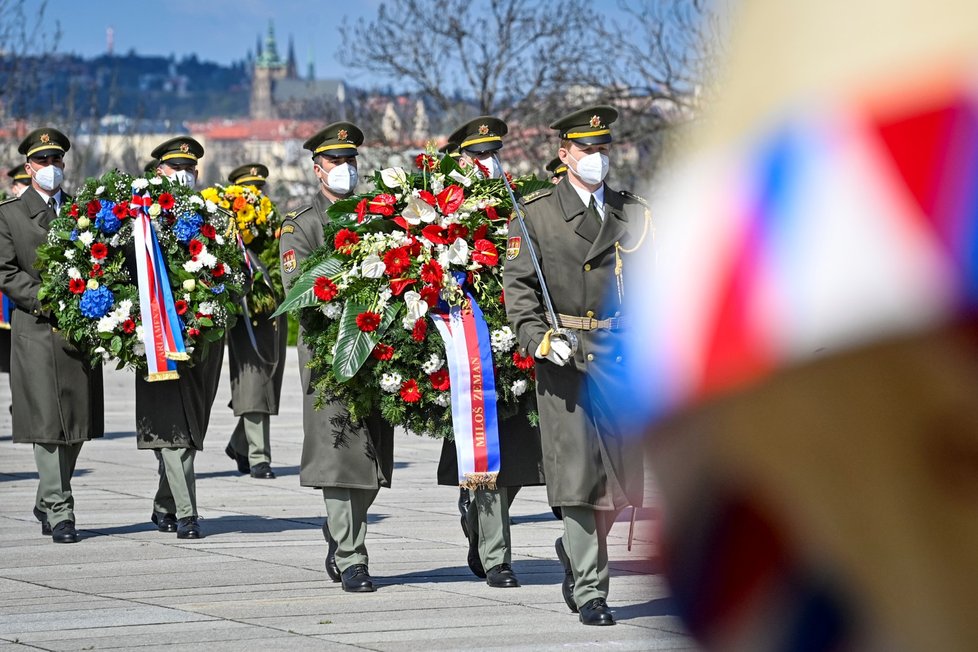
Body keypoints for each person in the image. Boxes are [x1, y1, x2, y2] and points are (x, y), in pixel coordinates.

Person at [503, 106, 649, 625]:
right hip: (565, 358)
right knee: (581, 476)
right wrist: (538, 339)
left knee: (622, 480)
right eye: (586, 149)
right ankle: (591, 589)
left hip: (622, 359)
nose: (597, 158)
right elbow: (519, 291)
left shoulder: (634, 213)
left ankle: (578, 551)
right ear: (564, 154)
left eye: (603, 149)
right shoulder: (536, 214)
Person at [279, 122, 394, 593]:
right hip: (330, 355)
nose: (345, 169)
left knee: (369, 458)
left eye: (351, 161)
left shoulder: (377, 218)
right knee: (336, 452)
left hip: (380, 356)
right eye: (336, 161)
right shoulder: (301, 225)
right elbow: (299, 294)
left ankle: (342, 530)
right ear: (317, 168)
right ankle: (352, 556)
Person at [438, 116, 546, 589]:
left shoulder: (520, 206)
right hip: (465, 350)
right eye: (477, 155)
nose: (488, 163)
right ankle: (497, 555)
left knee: (518, 454)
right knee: (486, 453)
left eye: (493, 153)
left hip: (514, 342)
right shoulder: (437, 208)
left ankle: (479, 522)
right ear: (458, 158)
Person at [0, 128, 104, 543]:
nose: (50, 168)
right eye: (42, 162)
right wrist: (48, 298)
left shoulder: (82, 211)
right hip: (36, 329)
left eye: (56, 160)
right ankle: (61, 511)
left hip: (78, 333)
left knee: (77, 424)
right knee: (46, 422)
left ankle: (47, 497)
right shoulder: (9, 214)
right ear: (28, 168)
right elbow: (5, 271)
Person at [135, 136, 225, 540]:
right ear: (159, 172)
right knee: (174, 427)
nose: (184, 176)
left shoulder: (214, 215)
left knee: (191, 427)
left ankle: (164, 503)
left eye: (190, 169)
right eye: (176, 168)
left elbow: (232, 274)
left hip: (203, 336)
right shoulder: (139, 218)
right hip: (157, 335)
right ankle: (188, 514)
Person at [223, 163, 287, 479]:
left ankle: (239, 442)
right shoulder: (227, 226)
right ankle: (259, 456)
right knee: (252, 382)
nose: (254, 196)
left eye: (259, 190)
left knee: (270, 382)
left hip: (275, 309)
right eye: (247, 190)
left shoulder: (272, 223)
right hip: (245, 309)